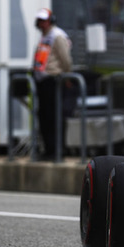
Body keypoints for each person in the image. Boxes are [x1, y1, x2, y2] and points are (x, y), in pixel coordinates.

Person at [32, 8, 72, 160]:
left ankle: (58, 149)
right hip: (42, 79)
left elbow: (66, 59)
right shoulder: (44, 36)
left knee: (54, 116)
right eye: (40, 21)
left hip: (53, 79)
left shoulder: (57, 35)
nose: (41, 23)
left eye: (44, 20)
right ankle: (49, 149)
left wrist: (67, 76)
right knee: (44, 116)